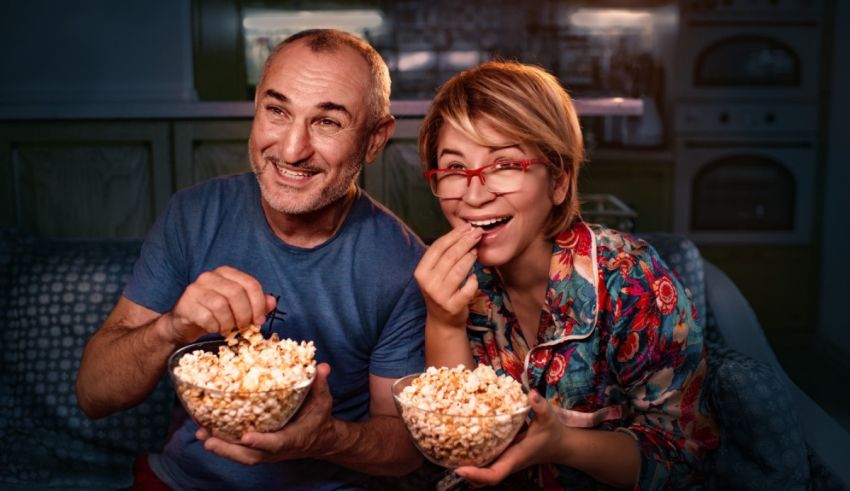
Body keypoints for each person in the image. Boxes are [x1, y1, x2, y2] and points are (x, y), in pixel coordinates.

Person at [76, 29, 426, 490]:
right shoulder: (193, 214)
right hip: (184, 480)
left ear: (376, 139)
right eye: (277, 111)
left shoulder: (401, 265)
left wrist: (324, 439)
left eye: (327, 122)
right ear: (257, 106)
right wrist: (171, 327)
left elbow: (405, 450)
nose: (291, 149)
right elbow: (93, 394)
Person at [414, 61, 719, 490]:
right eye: (454, 169)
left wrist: (563, 444)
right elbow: (459, 454)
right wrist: (443, 322)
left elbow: (685, 459)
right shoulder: (451, 286)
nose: (474, 194)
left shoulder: (631, 281)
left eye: (505, 164)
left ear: (558, 180)